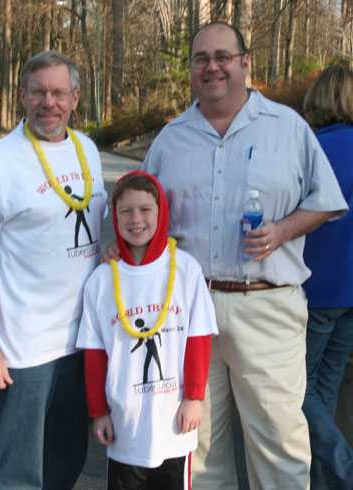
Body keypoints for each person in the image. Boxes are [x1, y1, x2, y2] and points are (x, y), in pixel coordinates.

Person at [142, 21, 348, 490]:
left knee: (278, 441)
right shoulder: (171, 138)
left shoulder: (288, 128)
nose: (212, 67)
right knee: (198, 443)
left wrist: (281, 231)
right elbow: (146, 215)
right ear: (192, 70)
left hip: (268, 304)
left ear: (245, 62)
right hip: (190, 311)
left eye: (222, 57)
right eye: (201, 59)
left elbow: (327, 201)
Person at [0, 51, 107, 489]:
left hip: (81, 343)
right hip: (23, 351)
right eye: (38, 92)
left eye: (59, 92)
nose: (49, 102)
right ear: (22, 95)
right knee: (10, 473)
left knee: (65, 462)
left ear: (75, 98)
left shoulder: (88, 152)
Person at [77, 170, 218, 490]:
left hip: (174, 425)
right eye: (126, 210)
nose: (136, 219)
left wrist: (194, 397)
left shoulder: (185, 270)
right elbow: (95, 353)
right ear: (114, 217)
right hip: (126, 425)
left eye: (145, 210)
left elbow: (198, 339)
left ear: (161, 212)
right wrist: (98, 411)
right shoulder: (101, 280)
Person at [302, 65, 353, 490]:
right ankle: (325, 482)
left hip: (320, 285)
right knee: (327, 386)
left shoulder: (313, 149)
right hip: (350, 291)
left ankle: (341, 462)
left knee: (298, 387)